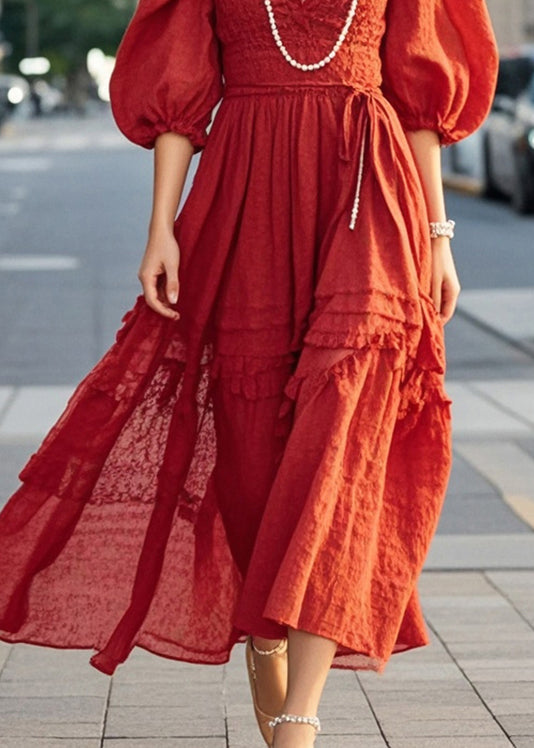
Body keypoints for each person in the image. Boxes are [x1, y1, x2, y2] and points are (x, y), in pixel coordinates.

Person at [0, 0, 498, 746]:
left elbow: (418, 90)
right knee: (250, 448)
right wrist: (160, 226)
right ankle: (265, 629)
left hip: (367, 199)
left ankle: (300, 716)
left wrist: (439, 237)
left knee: (342, 442)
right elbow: (178, 85)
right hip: (245, 192)